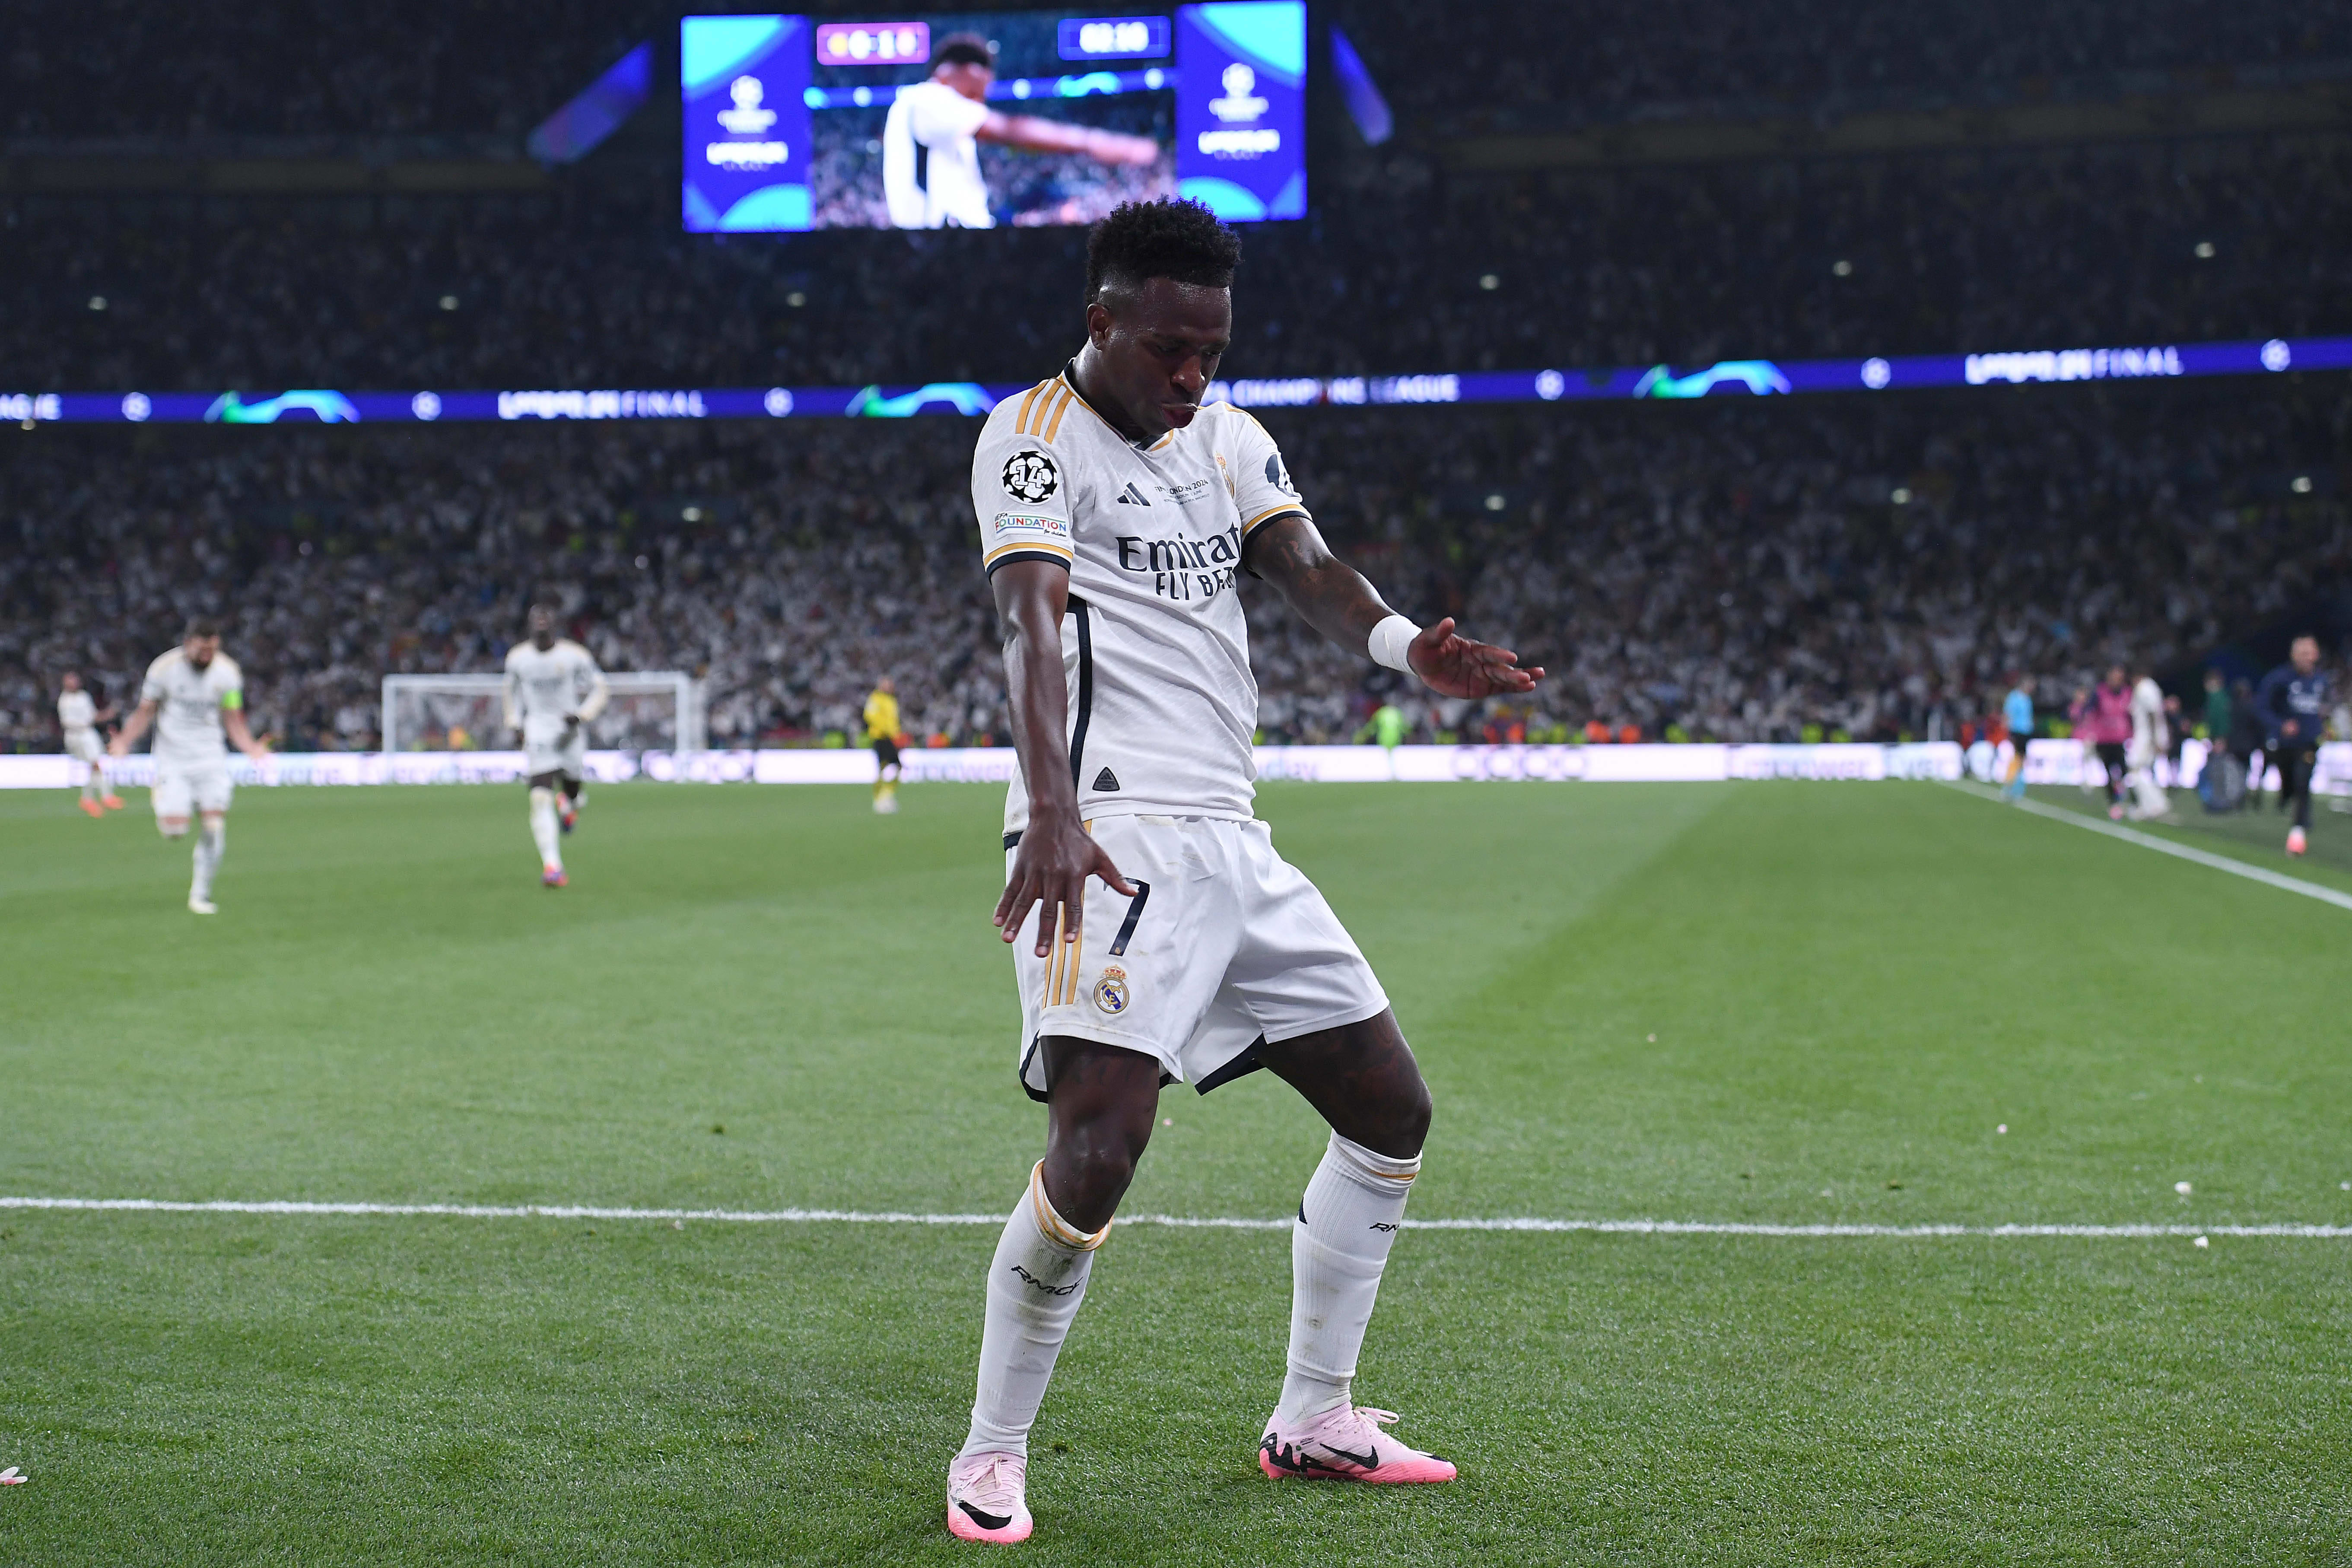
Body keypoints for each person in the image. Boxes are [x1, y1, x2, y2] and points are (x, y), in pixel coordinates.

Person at [947, 198, 1543, 1545]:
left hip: (1229, 830)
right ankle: (991, 1451)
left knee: (1389, 1111)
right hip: (1102, 824)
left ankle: (1313, 1416)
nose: (1190, 376)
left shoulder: (1224, 436)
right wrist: (1045, 807)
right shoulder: (1031, 439)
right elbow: (1027, 625)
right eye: (1168, 349)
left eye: (1209, 351)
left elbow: (1307, 566)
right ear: (1101, 322)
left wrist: (1404, 649)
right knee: (1099, 1144)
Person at [883, 33, 1159, 229]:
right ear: (957, 71)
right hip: (938, 246)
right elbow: (1008, 129)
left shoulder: (932, 117)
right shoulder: (928, 98)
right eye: (975, 92)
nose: (979, 102)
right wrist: (1093, 142)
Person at [108, 618, 271, 914]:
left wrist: (251, 748)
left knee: (214, 824)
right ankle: (161, 792)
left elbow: (233, 718)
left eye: (212, 651)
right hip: (174, 758)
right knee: (175, 831)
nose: (208, 657)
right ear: (188, 645)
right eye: (202, 651)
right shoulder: (163, 669)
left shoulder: (228, 673)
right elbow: (146, 712)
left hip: (211, 757)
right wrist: (125, 741)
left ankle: (201, 895)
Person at [504, 605, 608, 887]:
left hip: (569, 731)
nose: (541, 621)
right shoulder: (517, 658)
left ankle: (571, 804)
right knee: (539, 797)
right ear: (528, 625)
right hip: (538, 730)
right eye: (535, 617)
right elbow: (510, 692)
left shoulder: (574, 655)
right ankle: (553, 866)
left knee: (574, 790)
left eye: (546, 617)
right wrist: (515, 723)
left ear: (554, 624)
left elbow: (601, 687)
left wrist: (583, 714)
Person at [2254, 634, 2330, 856]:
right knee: (2289, 784)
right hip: (2283, 745)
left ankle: (2298, 833)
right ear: (2294, 655)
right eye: (2303, 653)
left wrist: (2323, 727)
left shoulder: (2321, 681)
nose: (2308, 658)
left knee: (2302, 784)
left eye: (2311, 653)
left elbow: (2321, 709)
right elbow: (2261, 707)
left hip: (2308, 745)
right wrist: (2280, 725)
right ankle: (2287, 799)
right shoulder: (2279, 679)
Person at [57, 671, 123, 816]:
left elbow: (93, 717)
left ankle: (89, 800)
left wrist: (108, 714)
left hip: (89, 734)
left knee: (95, 766)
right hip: (77, 735)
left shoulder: (84, 697)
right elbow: (67, 722)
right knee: (95, 765)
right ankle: (105, 797)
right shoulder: (65, 701)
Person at [2125, 667, 2172, 821]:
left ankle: (2156, 804)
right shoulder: (2152, 687)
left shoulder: (2144, 688)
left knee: (2135, 769)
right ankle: (2147, 805)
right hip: (2148, 735)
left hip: (2147, 737)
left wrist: (2154, 739)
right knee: (2141, 770)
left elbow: (2152, 714)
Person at [2088, 665, 2133, 819]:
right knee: (2108, 772)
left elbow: (2132, 715)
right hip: (2104, 739)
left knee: (2124, 770)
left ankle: (2123, 797)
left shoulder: (2128, 693)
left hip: (2121, 739)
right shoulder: (2100, 693)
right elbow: (2090, 711)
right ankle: (2114, 803)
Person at [865, 676, 903, 814]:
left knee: (897, 767)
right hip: (880, 737)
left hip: (891, 738)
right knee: (883, 768)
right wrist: (887, 729)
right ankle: (878, 799)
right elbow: (870, 716)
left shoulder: (891, 700)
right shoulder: (875, 699)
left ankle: (887, 796)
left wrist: (896, 733)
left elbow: (894, 720)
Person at [1998, 673, 2033, 802]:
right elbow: (2007, 715)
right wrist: (2008, 731)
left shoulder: (2027, 698)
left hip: (2026, 732)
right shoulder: (2014, 697)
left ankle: (2018, 787)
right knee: (2017, 758)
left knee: (2022, 759)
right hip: (2017, 731)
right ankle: (2010, 786)